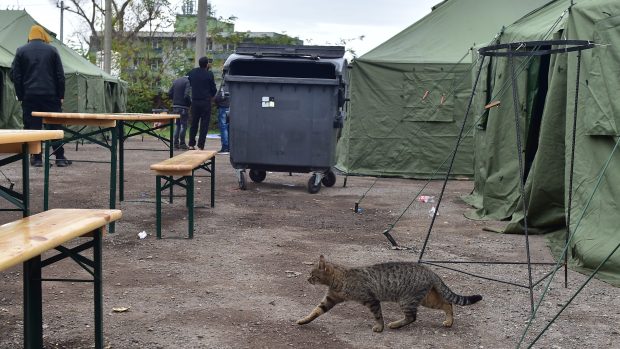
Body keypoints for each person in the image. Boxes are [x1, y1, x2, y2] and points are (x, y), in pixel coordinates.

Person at [11, 25, 71, 167]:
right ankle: (60, 158)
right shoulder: (52, 50)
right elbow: (60, 76)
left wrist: (21, 95)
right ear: (42, 35)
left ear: (30, 36)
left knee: (33, 128)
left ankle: (37, 158)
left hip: (30, 96)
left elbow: (15, 76)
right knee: (55, 127)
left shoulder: (21, 51)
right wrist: (60, 95)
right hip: (51, 96)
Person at [187, 56, 217, 150]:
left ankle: (191, 144)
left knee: (194, 123)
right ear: (207, 64)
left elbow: (189, 82)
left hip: (195, 101)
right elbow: (213, 89)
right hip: (205, 102)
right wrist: (211, 96)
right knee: (204, 124)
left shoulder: (192, 72)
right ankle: (201, 145)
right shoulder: (209, 74)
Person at [168, 73, 192, 149]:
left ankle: (175, 144)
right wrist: (190, 103)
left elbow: (169, 93)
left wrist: (175, 100)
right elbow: (186, 95)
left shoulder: (176, 81)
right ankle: (182, 144)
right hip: (183, 107)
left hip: (175, 106)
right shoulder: (187, 82)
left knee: (177, 125)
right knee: (183, 125)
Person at [214, 79, 230, 154]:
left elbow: (218, 98)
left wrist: (217, 103)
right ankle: (230, 147)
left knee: (224, 128)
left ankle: (225, 147)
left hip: (223, 108)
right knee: (229, 128)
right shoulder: (234, 86)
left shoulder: (224, 86)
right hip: (232, 108)